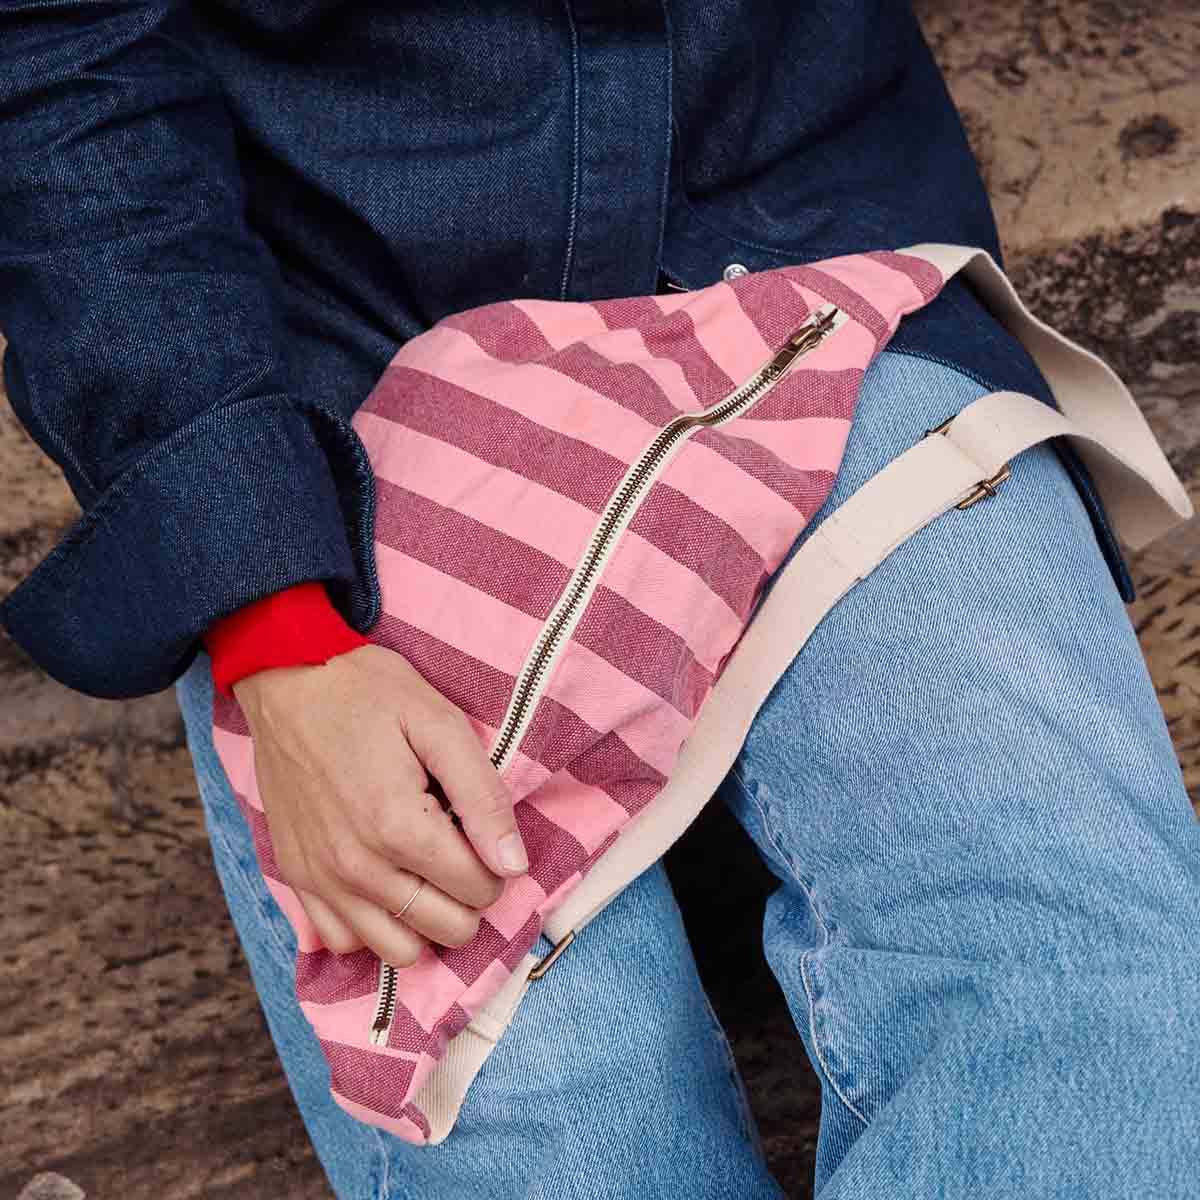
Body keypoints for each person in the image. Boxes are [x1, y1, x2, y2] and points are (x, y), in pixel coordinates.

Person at [2, 3, 1197, 1197]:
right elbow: (55, 54)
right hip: (343, 370)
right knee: (569, 1155)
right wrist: (277, 626)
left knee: (1098, 994)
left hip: (807, 248)